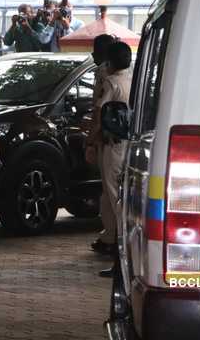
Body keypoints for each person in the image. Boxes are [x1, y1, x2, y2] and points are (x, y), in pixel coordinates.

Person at [89, 41, 133, 278]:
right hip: (128, 144)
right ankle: (118, 249)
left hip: (113, 144)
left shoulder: (111, 83)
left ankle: (120, 255)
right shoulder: (133, 80)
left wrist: (89, 141)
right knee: (117, 196)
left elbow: (98, 113)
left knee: (115, 196)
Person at [85, 34, 117, 256]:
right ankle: (110, 235)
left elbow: (99, 110)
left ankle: (115, 239)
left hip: (110, 139)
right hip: (114, 138)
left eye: (95, 50)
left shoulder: (106, 76)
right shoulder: (121, 74)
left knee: (111, 191)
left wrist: (90, 140)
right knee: (108, 192)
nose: (93, 55)